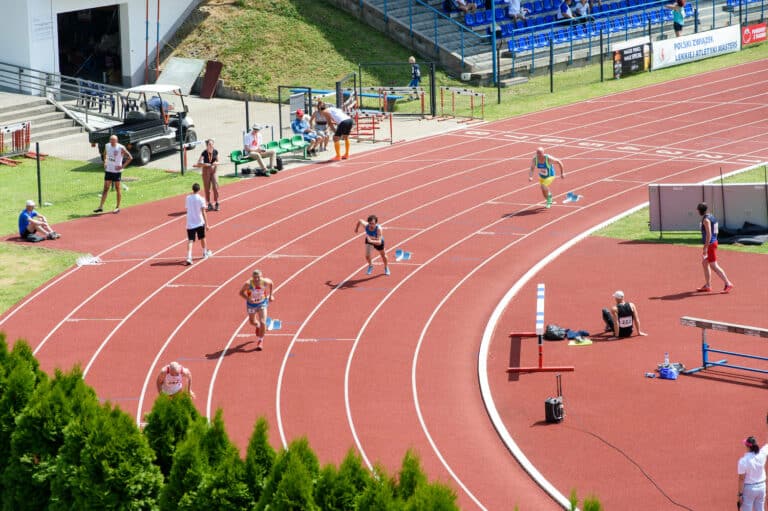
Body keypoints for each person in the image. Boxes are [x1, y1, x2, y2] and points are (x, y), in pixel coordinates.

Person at [696, 202, 733, 293]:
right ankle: (707, 285)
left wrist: (705, 247)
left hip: (710, 245)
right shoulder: (712, 216)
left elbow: (709, 234)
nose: (697, 212)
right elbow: (715, 231)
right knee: (705, 263)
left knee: (714, 266)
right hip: (714, 243)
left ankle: (728, 283)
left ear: (700, 210)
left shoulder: (706, 220)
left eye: (698, 210)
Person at [94, 134, 132, 213]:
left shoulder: (121, 148)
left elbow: (130, 157)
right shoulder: (107, 146)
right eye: (111, 140)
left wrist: (122, 167)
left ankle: (117, 207)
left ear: (116, 141)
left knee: (118, 189)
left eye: (113, 141)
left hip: (116, 172)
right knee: (105, 189)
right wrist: (105, 162)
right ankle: (100, 207)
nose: (112, 142)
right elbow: (104, 154)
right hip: (108, 170)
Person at [238, 269, 275, 351]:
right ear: (252, 277)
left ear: (261, 277)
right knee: (252, 322)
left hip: (262, 304)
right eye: (255, 277)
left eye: (258, 277)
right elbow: (240, 293)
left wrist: (271, 295)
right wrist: (247, 298)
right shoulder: (248, 284)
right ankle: (258, 326)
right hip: (251, 305)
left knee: (263, 322)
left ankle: (260, 340)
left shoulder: (265, 281)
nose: (257, 279)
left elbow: (271, 283)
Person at [184, 182, 212, 265]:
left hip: (190, 222)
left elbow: (187, 207)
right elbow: (203, 212)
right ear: (199, 190)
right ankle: (204, 253)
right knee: (202, 238)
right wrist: (207, 224)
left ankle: (189, 257)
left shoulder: (188, 198)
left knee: (190, 240)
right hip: (199, 222)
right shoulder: (201, 199)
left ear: (192, 189)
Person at [738, 434, 768, 511]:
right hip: (762, 487)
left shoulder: (743, 461)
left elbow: (741, 479)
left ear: (747, 447)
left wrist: (740, 495)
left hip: (749, 489)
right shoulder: (762, 454)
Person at [195, 139, 220, 211]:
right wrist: (204, 164)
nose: (211, 146)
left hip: (214, 170)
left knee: (215, 186)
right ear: (207, 145)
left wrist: (216, 163)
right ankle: (209, 203)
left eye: (212, 144)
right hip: (206, 171)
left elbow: (218, 161)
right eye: (209, 144)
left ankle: (217, 202)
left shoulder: (215, 151)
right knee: (207, 188)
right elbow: (199, 163)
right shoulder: (204, 153)